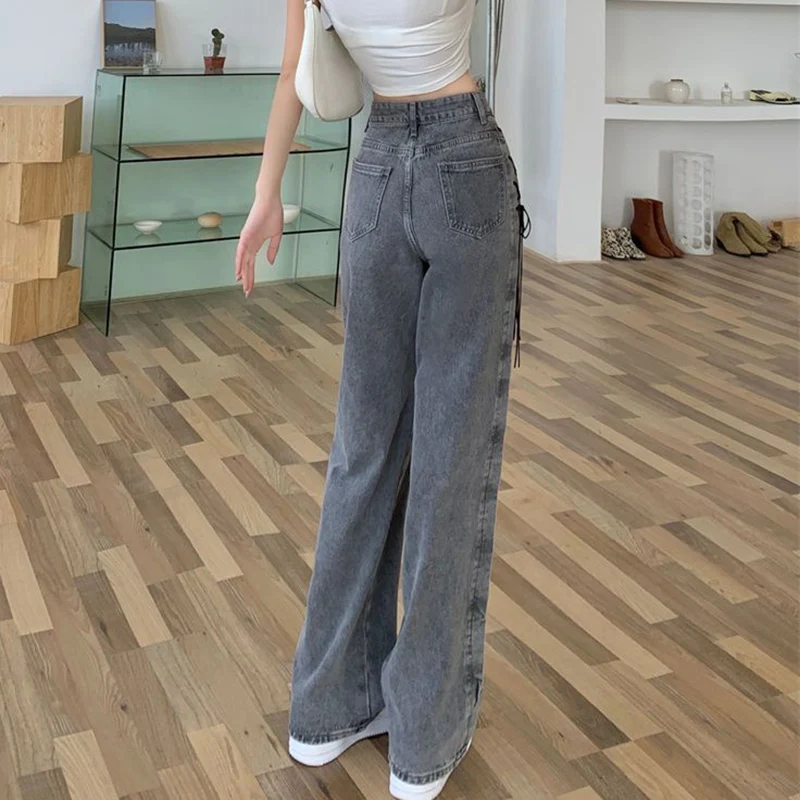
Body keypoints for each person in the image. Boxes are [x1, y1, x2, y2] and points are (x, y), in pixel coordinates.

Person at [235, 2, 525, 798]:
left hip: (376, 170)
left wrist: (266, 194)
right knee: (448, 461)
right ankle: (422, 741)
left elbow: (294, 75)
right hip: (464, 165)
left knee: (363, 453)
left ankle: (326, 709)